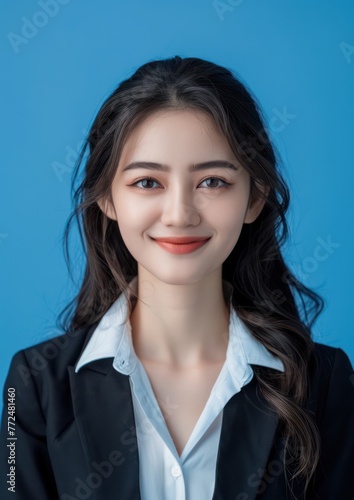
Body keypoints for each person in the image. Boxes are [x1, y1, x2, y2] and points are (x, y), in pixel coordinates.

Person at [1, 55, 353, 500]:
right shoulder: (34, 384)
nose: (180, 214)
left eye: (213, 182)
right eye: (148, 182)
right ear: (107, 198)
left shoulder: (325, 382)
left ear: (255, 198)